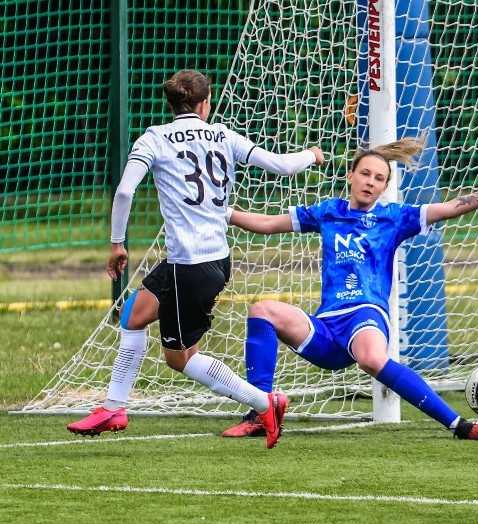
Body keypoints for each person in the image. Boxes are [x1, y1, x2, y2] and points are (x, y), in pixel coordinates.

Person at [67, 69, 326, 449]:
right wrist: (313, 154)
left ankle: (265, 402)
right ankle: (113, 408)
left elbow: (124, 192)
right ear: (205, 103)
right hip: (203, 261)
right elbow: (282, 166)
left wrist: (118, 243)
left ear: (171, 104)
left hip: (190, 267)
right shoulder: (222, 134)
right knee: (135, 314)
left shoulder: (154, 137)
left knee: (181, 359)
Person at [219, 137, 478, 441]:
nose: (371, 181)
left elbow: (448, 208)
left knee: (371, 358)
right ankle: (260, 413)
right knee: (262, 310)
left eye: (379, 178)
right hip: (327, 325)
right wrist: (222, 213)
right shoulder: (328, 211)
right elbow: (267, 224)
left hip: (366, 316)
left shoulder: (394, 217)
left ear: (386, 186)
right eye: (365, 173)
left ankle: (458, 424)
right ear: (351, 176)